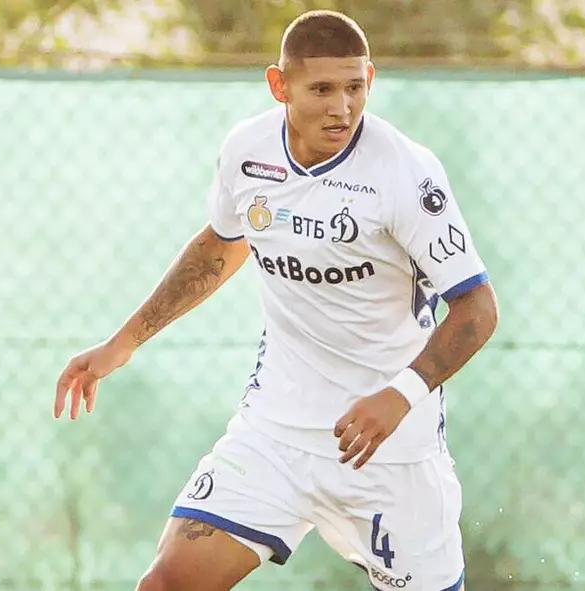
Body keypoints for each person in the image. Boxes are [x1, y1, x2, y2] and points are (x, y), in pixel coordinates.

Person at [53, 9, 498, 591]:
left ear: (370, 78)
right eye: (322, 89)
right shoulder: (248, 150)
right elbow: (221, 245)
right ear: (279, 85)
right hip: (274, 435)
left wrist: (401, 395)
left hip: (387, 450)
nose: (342, 107)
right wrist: (123, 343)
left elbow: (477, 309)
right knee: (167, 585)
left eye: (355, 87)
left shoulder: (405, 174)